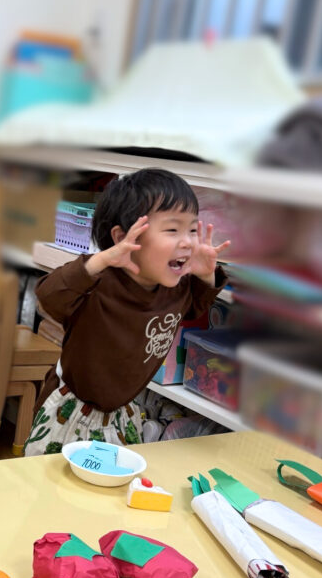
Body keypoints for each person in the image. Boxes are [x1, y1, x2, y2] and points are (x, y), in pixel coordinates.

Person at [24, 168, 230, 456]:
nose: (187, 241)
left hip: (120, 415)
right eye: (172, 230)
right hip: (70, 410)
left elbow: (197, 306)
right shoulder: (98, 283)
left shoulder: (176, 287)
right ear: (124, 238)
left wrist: (207, 276)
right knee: (49, 485)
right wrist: (101, 259)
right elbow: (49, 296)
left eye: (192, 230)